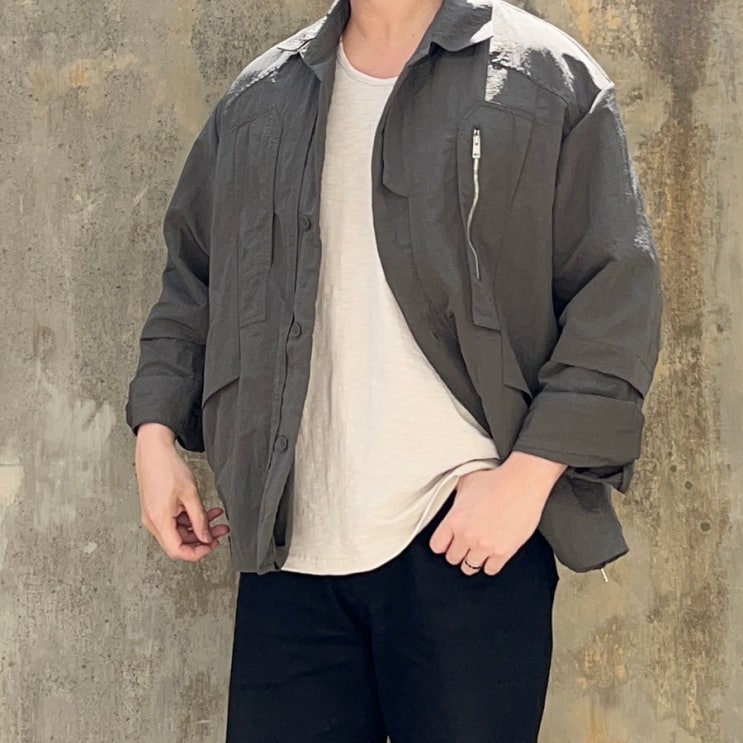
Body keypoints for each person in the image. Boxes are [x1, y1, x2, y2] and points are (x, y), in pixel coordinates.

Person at [126, 0, 663, 740]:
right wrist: (154, 435)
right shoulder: (260, 99)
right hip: (289, 553)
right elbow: (194, 283)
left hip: (464, 542)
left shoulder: (544, 79)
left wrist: (528, 478)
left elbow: (616, 296)